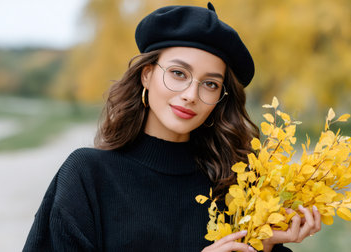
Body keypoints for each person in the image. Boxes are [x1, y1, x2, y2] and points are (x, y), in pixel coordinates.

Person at [23, 3, 321, 252]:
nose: (191, 94)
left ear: (220, 98)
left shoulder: (236, 186)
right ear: (146, 75)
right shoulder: (87, 175)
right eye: (178, 73)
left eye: (210, 84)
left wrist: (264, 246)